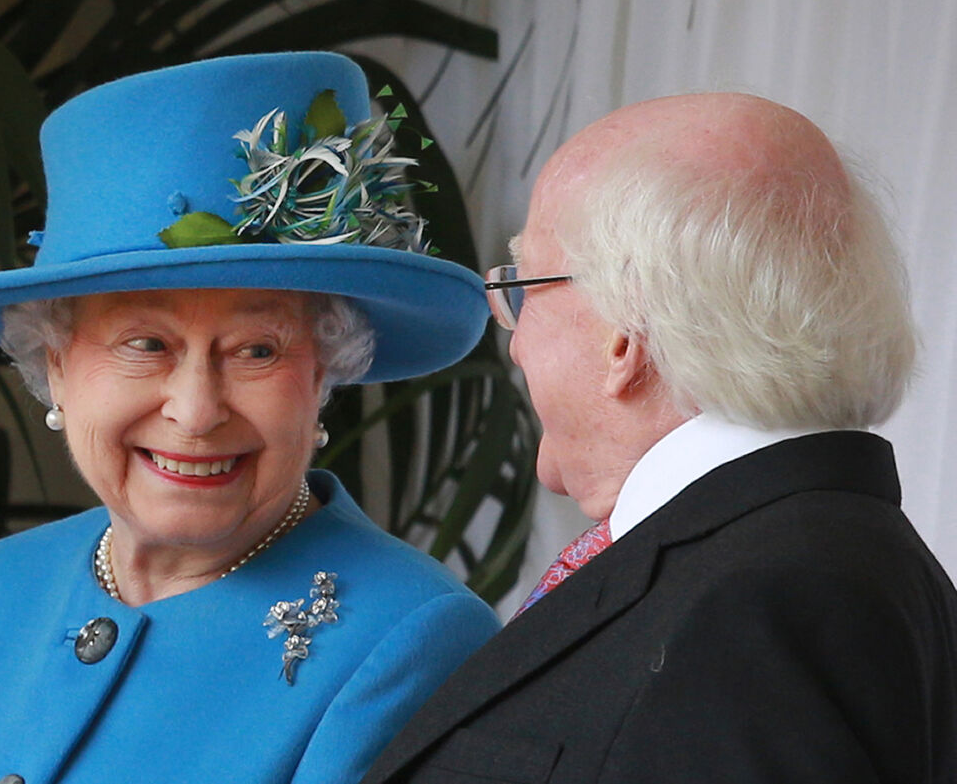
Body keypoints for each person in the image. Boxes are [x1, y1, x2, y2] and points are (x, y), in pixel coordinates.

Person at [0, 52, 501, 784]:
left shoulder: (415, 640)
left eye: (257, 349)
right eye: (145, 343)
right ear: (56, 362)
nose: (195, 411)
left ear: (323, 370)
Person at [360, 93, 957, 783]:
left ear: (624, 330)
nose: (515, 343)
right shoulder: (808, 562)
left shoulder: (758, 606)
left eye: (522, 289)